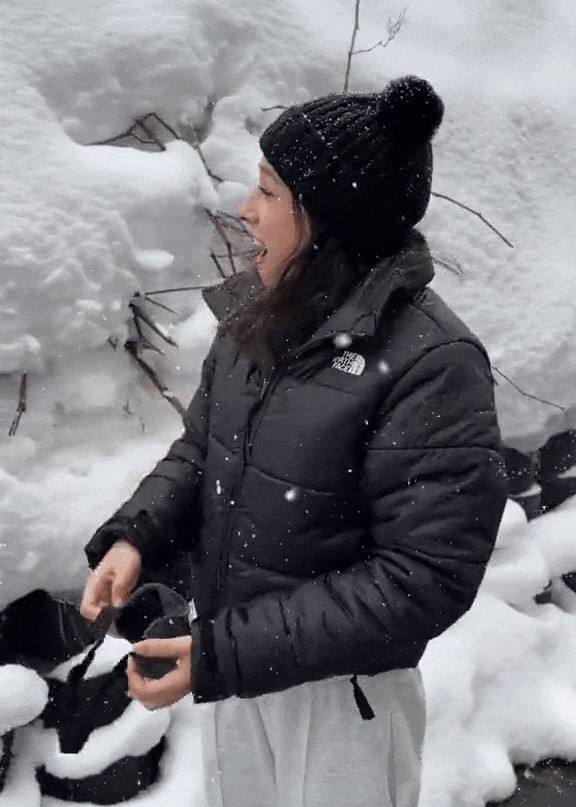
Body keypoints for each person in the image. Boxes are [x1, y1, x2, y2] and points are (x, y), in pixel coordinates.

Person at [81, 75, 508, 807]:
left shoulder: (433, 363)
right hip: (237, 671)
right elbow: (202, 448)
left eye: (269, 191)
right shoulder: (261, 315)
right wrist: (136, 536)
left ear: (330, 219)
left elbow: (423, 577)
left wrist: (227, 653)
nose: (246, 209)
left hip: (343, 702)